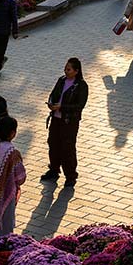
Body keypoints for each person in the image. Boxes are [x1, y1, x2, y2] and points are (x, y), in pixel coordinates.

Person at [41, 58, 89, 188]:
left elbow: (79, 105)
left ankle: (70, 176)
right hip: (56, 119)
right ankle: (54, 170)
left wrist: (61, 107)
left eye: (69, 69)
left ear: (76, 71)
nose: (66, 72)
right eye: (65, 69)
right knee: (53, 143)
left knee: (67, 148)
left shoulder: (81, 85)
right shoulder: (61, 80)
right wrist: (51, 104)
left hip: (69, 122)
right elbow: (53, 94)